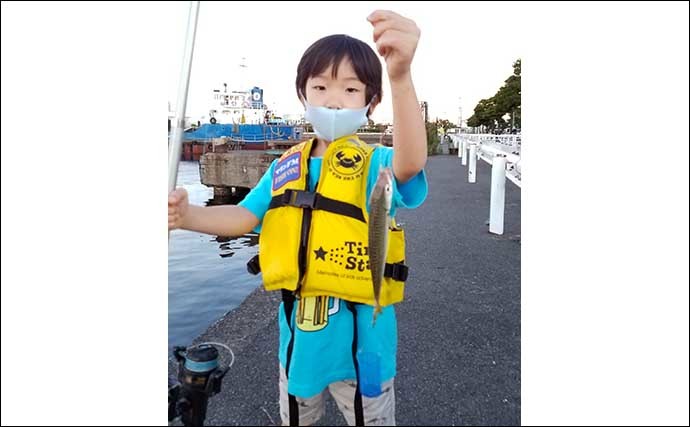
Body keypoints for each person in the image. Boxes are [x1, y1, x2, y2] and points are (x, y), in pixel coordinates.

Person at [169, 10, 428, 426]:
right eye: (320, 86)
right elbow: (241, 216)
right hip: (299, 344)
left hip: (365, 348)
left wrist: (400, 76)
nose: (332, 99)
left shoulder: (378, 164)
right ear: (303, 95)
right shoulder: (285, 167)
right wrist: (187, 216)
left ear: (371, 102)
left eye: (349, 89)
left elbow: (411, 162)